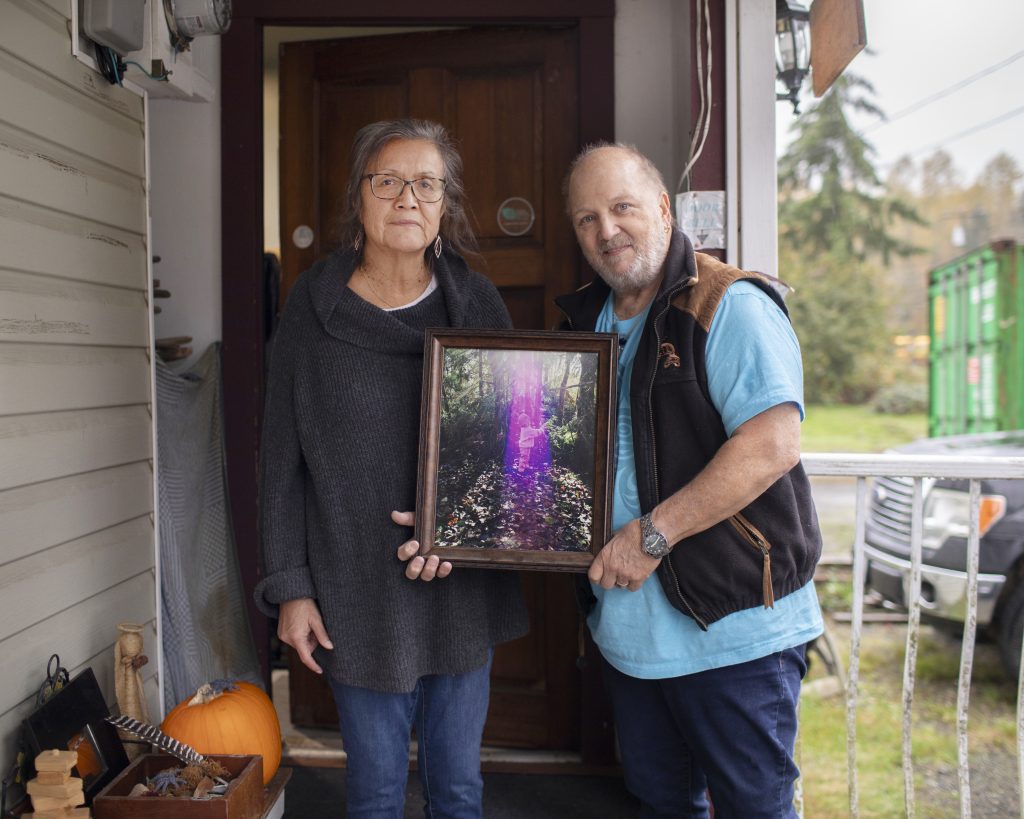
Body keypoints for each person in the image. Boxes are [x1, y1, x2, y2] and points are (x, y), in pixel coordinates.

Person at [255, 119, 528, 819]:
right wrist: (291, 587)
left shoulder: (477, 305)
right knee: (375, 794)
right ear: (360, 198)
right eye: (388, 181)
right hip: (356, 589)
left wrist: (457, 523)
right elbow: (279, 460)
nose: (407, 197)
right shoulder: (312, 311)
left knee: (457, 790)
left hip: (458, 588)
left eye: (427, 183)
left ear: (444, 205)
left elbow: (518, 447)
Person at [556, 142, 824, 818]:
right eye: (587, 219)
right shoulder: (581, 324)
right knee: (662, 806)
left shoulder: (727, 303)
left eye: (621, 207)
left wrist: (653, 534)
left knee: (753, 809)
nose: (606, 231)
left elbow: (771, 444)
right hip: (631, 637)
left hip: (733, 629)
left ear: (664, 208)